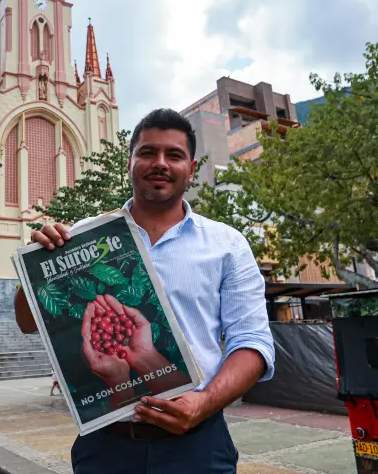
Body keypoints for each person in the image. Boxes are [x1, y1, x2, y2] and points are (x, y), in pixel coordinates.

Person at [16, 109, 275, 473]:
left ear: (192, 166)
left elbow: (253, 344)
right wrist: (36, 268)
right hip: (105, 444)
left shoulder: (227, 245)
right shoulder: (82, 236)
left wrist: (202, 405)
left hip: (198, 444)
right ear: (130, 161)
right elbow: (28, 322)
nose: (160, 164)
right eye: (148, 152)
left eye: (174, 155)